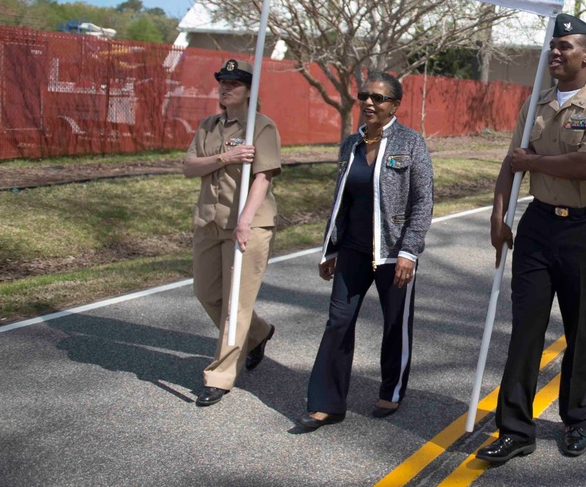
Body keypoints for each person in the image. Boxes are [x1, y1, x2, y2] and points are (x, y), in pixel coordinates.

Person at [476, 13, 586, 463]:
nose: (555, 53)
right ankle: (516, 428)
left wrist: (531, 162)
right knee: (525, 329)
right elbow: (511, 161)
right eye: (552, 46)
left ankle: (576, 420)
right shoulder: (535, 103)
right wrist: (499, 214)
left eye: (565, 46)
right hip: (539, 226)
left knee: (581, 331)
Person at [297, 72, 434, 432]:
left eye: (379, 98)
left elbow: (423, 200)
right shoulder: (349, 145)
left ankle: (392, 388)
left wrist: (409, 251)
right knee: (338, 322)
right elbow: (341, 201)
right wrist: (331, 248)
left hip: (393, 253)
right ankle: (327, 403)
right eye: (364, 96)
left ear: (395, 105)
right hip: (353, 251)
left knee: (395, 325)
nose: (369, 103)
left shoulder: (411, 142)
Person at [182, 59, 281, 407]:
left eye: (234, 83)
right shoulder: (208, 126)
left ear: (249, 91)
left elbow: (263, 177)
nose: (225, 88)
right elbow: (189, 167)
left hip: (247, 224)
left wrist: (245, 220)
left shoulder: (262, 127)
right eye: (222, 82)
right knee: (207, 293)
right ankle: (259, 333)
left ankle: (220, 376)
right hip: (209, 220)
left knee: (235, 305)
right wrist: (227, 157)